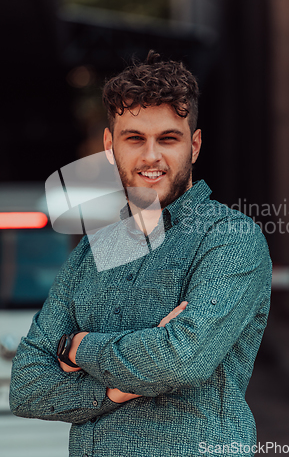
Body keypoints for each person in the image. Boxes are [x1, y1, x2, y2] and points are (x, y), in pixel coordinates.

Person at [10, 51, 272, 457]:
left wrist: (78, 347)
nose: (151, 156)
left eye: (168, 138)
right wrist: (117, 388)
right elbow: (27, 388)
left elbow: (181, 361)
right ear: (110, 146)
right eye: (135, 138)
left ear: (195, 145)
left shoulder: (230, 238)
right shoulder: (95, 251)